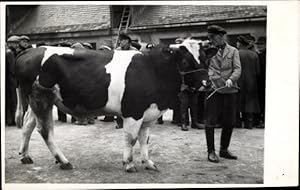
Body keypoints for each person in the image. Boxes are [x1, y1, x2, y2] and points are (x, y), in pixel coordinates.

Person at [204, 25, 241, 163]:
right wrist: (217, 81)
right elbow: (208, 69)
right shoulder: (208, 51)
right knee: (210, 121)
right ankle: (211, 151)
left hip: (230, 90)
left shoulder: (233, 51)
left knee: (230, 122)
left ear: (221, 36)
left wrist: (231, 79)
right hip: (214, 90)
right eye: (209, 38)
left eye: (212, 38)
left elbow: (237, 69)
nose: (210, 41)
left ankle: (224, 150)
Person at [237, 35, 260, 129]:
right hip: (251, 82)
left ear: (240, 44)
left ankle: (237, 122)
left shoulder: (236, 54)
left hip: (239, 81)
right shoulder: (254, 55)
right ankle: (249, 123)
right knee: (250, 102)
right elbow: (258, 71)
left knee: (238, 101)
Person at [5, 35, 20, 126]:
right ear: (11, 43)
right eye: (15, 43)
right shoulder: (10, 53)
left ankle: (10, 119)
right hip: (11, 79)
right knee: (13, 99)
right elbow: (12, 68)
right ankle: (12, 120)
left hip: (9, 79)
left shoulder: (10, 52)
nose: (17, 45)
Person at [255, 36, 266, 128]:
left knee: (263, 101)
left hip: (263, 82)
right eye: (258, 44)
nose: (259, 46)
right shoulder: (259, 55)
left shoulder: (263, 55)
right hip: (261, 82)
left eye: (261, 44)